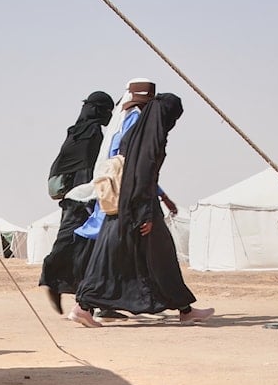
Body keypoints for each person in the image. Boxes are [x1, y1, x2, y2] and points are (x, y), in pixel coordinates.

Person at [70, 90, 214, 327]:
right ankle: (83, 306)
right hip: (138, 205)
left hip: (131, 203)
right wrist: (144, 214)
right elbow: (143, 174)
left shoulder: (137, 133)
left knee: (146, 257)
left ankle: (185, 308)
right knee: (130, 256)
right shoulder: (150, 137)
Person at [39, 91, 115, 314]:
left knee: (93, 249)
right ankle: (52, 277)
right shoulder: (91, 133)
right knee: (80, 244)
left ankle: (97, 302)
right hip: (81, 200)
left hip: (75, 197)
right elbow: (86, 169)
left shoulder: (75, 131)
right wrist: (91, 199)